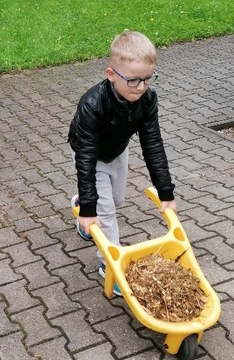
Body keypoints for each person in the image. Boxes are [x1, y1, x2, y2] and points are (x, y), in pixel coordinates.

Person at [68, 31, 177, 296]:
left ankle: (81, 205)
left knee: (116, 201)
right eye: (133, 80)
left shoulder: (147, 100)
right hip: (90, 155)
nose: (140, 87)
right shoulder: (92, 105)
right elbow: (85, 159)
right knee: (104, 212)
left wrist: (166, 192)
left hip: (117, 151)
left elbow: (153, 145)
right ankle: (110, 266)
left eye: (147, 79)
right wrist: (91, 209)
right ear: (111, 74)